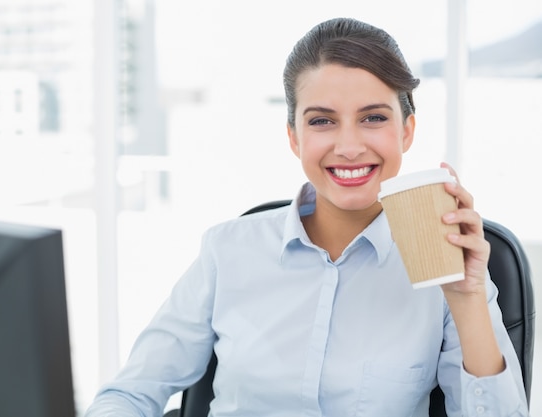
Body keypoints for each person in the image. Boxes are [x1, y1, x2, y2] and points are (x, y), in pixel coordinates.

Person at [85, 17, 529, 416]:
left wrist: (467, 297)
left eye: (373, 117)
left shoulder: (445, 269)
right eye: (322, 121)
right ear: (294, 137)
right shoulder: (228, 251)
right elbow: (127, 395)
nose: (350, 146)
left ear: (406, 131)